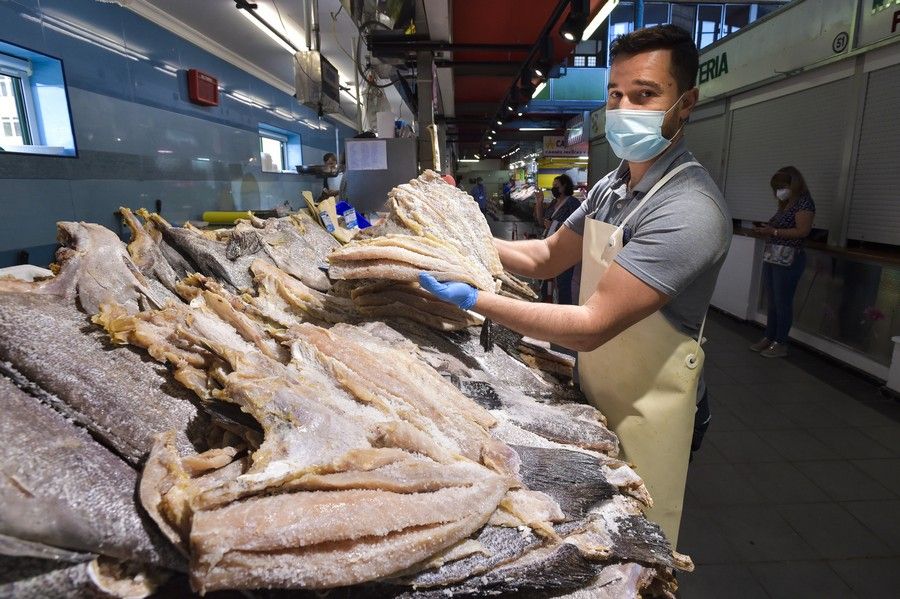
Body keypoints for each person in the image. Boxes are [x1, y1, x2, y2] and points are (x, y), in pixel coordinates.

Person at [418, 25, 731, 545]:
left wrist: (476, 299)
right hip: (598, 390)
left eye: (646, 94)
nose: (625, 107)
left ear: (686, 103)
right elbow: (544, 257)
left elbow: (590, 326)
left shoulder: (689, 209)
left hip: (652, 410)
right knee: (586, 533)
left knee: (632, 549)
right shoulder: (612, 187)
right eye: (616, 94)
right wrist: (458, 235)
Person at [749, 166, 815, 358]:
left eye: (782, 186)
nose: (779, 191)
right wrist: (767, 229)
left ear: (794, 184)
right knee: (772, 301)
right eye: (776, 188)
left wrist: (774, 232)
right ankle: (769, 337)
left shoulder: (804, 203)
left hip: (789, 259)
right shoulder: (786, 204)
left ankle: (781, 342)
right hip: (773, 256)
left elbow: (802, 231)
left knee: (782, 301)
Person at [540, 175, 581, 305]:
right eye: (553, 185)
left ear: (565, 186)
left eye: (556, 185)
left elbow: (578, 224)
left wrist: (555, 225)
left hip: (565, 247)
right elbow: (541, 220)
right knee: (546, 278)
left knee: (563, 282)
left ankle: (565, 310)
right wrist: (539, 202)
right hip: (549, 244)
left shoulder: (573, 203)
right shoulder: (553, 202)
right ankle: (546, 302)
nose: (554, 188)